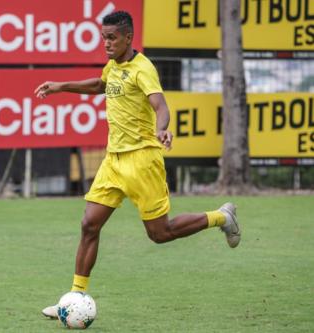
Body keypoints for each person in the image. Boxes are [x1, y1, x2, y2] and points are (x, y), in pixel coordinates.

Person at [34, 10, 240, 319]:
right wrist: (61, 86)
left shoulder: (143, 68)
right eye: (103, 37)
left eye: (112, 38)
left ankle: (221, 217)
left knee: (160, 233)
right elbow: (99, 85)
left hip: (143, 161)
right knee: (90, 224)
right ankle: (74, 299)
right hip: (113, 161)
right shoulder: (114, 66)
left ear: (128, 37)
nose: (106, 43)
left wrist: (163, 128)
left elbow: (161, 105)